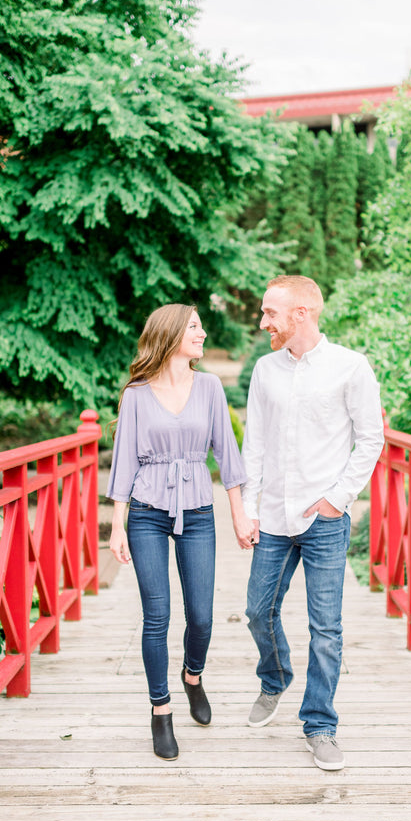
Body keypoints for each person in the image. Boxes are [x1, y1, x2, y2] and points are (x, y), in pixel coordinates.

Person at [238, 275, 385, 771]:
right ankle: (275, 677)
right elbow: (253, 443)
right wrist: (248, 508)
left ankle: (320, 725)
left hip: (324, 518)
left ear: (301, 313)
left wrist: (337, 499)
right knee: (258, 611)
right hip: (275, 517)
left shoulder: (350, 367)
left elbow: (371, 439)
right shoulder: (265, 370)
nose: (264, 323)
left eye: (270, 314)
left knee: (326, 629)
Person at [108, 303, 253, 761]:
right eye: (195, 326)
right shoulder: (136, 394)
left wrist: (239, 515)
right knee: (156, 615)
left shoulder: (209, 387)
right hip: (147, 511)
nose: (203, 333)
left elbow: (227, 457)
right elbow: (125, 460)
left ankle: (193, 676)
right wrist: (117, 524)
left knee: (202, 616)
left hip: (198, 511)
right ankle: (161, 711)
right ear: (171, 334)